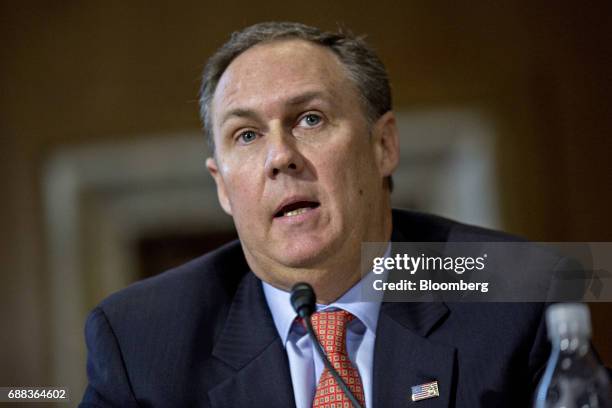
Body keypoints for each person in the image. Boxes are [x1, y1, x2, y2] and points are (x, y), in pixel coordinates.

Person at [79, 22, 567, 407]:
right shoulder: (140, 339)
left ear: (384, 145)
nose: (280, 157)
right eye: (246, 135)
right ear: (222, 187)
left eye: (309, 119)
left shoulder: (516, 286)